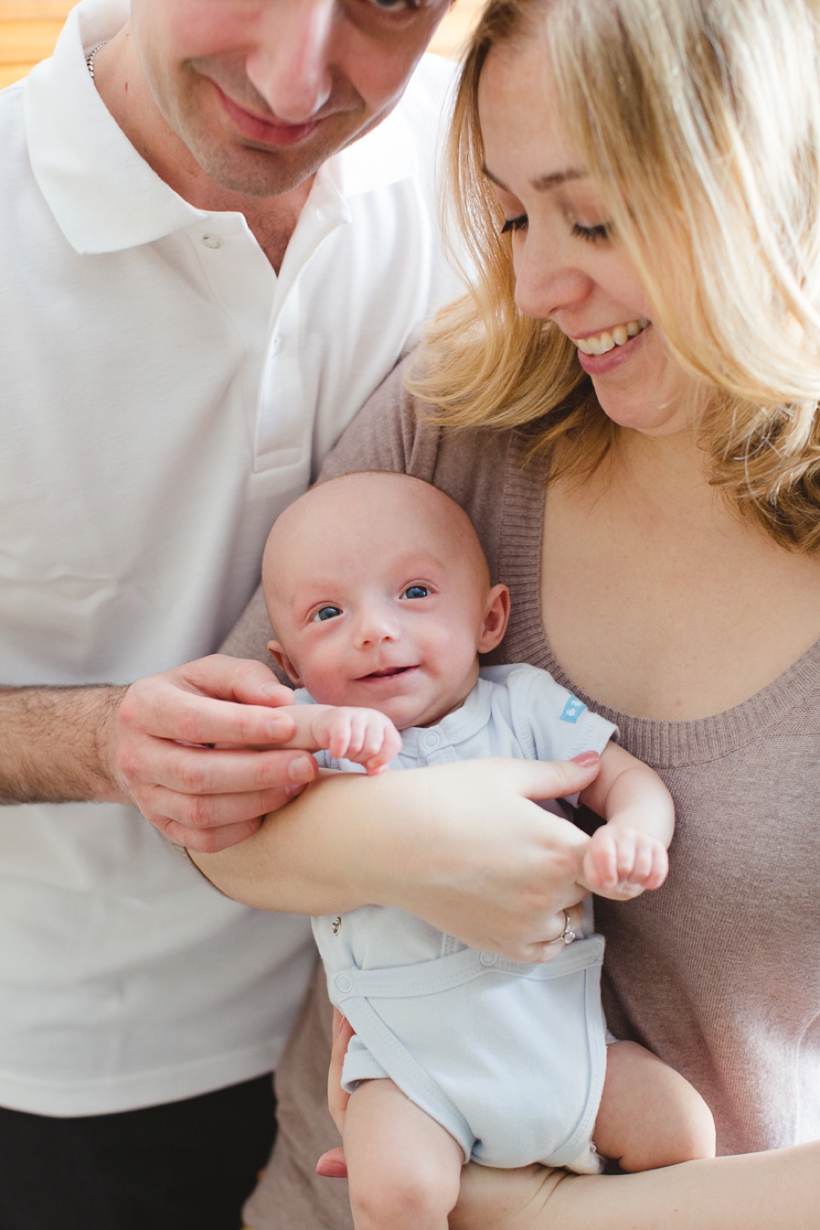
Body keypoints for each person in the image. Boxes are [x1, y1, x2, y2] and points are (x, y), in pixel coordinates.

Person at [194, 0, 820, 1225]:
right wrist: (402, 842)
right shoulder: (465, 409)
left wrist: (541, 1214)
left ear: (770, 183)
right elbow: (204, 787)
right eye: (511, 213)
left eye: (590, 217)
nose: (534, 283)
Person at [0, 0, 468, 1224]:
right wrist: (99, 740)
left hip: (429, 1028)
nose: (292, 77)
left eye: (386, 1)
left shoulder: (490, 154)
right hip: (81, 1072)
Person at [258, 469, 714, 1230]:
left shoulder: (523, 705)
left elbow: (623, 779)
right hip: (410, 1066)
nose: (374, 630)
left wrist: (634, 833)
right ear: (291, 667)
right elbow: (240, 815)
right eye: (328, 612)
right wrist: (310, 734)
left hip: (559, 1039)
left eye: (413, 594)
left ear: (489, 617)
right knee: (395, 1192)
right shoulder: (317, 735)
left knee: (681, 1130)